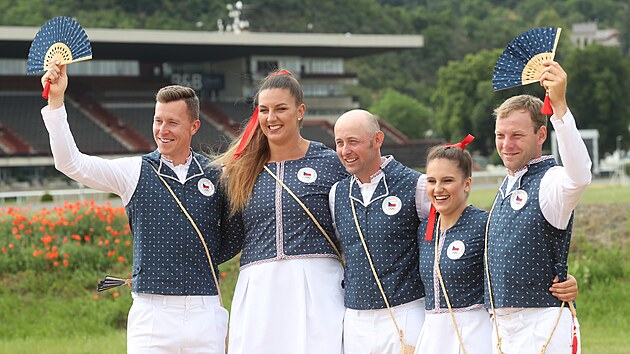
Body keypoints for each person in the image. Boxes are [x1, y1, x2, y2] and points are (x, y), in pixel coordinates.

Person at [40, 62, 242, 354]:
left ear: (193, 126)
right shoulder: (134, 170)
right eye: (158, 120)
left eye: (172, 122)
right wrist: (56, 101)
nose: (163, 130)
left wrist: (197, 258)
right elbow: (70, 163)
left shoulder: (216, 174)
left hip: (205, 309)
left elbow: (234, 234)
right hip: (152, 314)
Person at [214, 69, 347, 354]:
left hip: (318, 288)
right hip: (259, 289)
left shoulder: (330, 163)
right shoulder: (241, 172)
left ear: (300, 111)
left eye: (280, 109)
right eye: (264, 110)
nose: (271, 118)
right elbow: (229, 237)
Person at [414, 139, 579, 354]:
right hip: (433, 336)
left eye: (447, 180)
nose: (438, 189)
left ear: (466, 183)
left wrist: (566, 280)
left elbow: (521, 260)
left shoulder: (486, 224)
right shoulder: (424, 229)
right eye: (432, 181)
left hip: (475, 334)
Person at [485, 60, 590, 354]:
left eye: (517, 135)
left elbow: (580, 176)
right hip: (501, 326)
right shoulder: (504, 186)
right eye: (500, 135)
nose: (506, 144)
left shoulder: (552, 180)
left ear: (540, 136)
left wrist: (559, 108)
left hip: (542, 322)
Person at [330, 109, 429, 354]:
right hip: (355, 317)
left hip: (406, 311)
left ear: (377, 140)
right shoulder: (336, 193)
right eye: (340, 143)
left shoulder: (417, 184)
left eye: (353, 141)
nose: (345, 151)